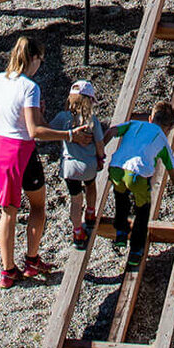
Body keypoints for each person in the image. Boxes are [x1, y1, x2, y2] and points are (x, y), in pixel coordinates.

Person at [0, 34, 60, 288]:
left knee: (8, 212)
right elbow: (35, 130)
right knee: (38, 206)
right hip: (20, 153)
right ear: (33, 58)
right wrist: (67, 135)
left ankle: (8, 270)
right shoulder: (30, 87)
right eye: (40, 60)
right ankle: (32, 260)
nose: (40, 65)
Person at [105, 97, 174, 272]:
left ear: (150, 118)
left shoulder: (134, 124)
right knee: (142, 211)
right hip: (137, 174)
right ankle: (136, 251)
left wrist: (99, 151)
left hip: (116, 168)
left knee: (121, 195)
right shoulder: (163, 140)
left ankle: (121, 234)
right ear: (169, 128)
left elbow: (111, 131)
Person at [51, 78, 108, 250]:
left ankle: (77, 232)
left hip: (69, 167)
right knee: (91, 186)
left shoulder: (62, 117)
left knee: (75, 200)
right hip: (88, 165)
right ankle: (90, 213)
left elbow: (49, 131)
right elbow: (99, 143)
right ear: (89, 101)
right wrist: (100, 158)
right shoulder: (92, 120)